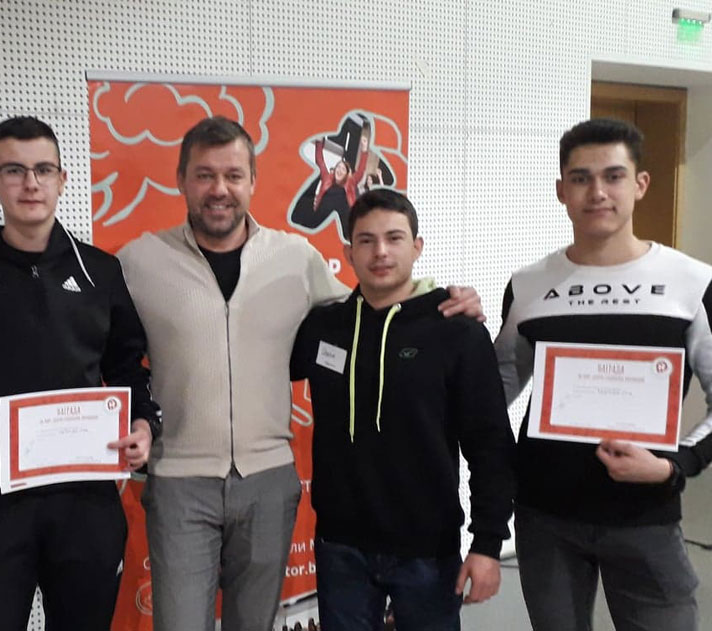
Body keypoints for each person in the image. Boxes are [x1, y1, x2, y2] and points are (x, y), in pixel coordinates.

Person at [114, 116, 487, 631]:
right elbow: (109, 351)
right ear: (181, 180)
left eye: (233, 175)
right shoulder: (138, 262)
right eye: (204, 175)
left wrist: (440, 297)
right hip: (178, 478)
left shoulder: (294, 257)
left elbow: (371, 310)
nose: (219, 189)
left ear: (252, 181)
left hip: (268, 480)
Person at [0, 116, 161, 631]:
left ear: (62, 179)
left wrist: (143, 424)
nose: (30, 183)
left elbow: (127, 366)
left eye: (43, 170)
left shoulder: (100, 270)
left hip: (85, 502)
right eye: (14, 170)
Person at [495, 117, 712, 631]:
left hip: (645, 517)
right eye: (581, 178)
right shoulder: (528, 286)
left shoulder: (692, 283)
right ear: (561, 191)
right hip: (545, 517)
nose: (597, 192)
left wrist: (674, 466)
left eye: (614, 176)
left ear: (640, 184)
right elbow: (494, 389)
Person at [291, 188, 515, 631]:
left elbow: (490, 445)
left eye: (394, 238)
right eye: (366, 240)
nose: (380, 252)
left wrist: (488, 544)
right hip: (340, 547)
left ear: (417, 247)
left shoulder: (456, 332)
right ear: (348, 253)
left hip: (428, 550)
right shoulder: (323, 327)